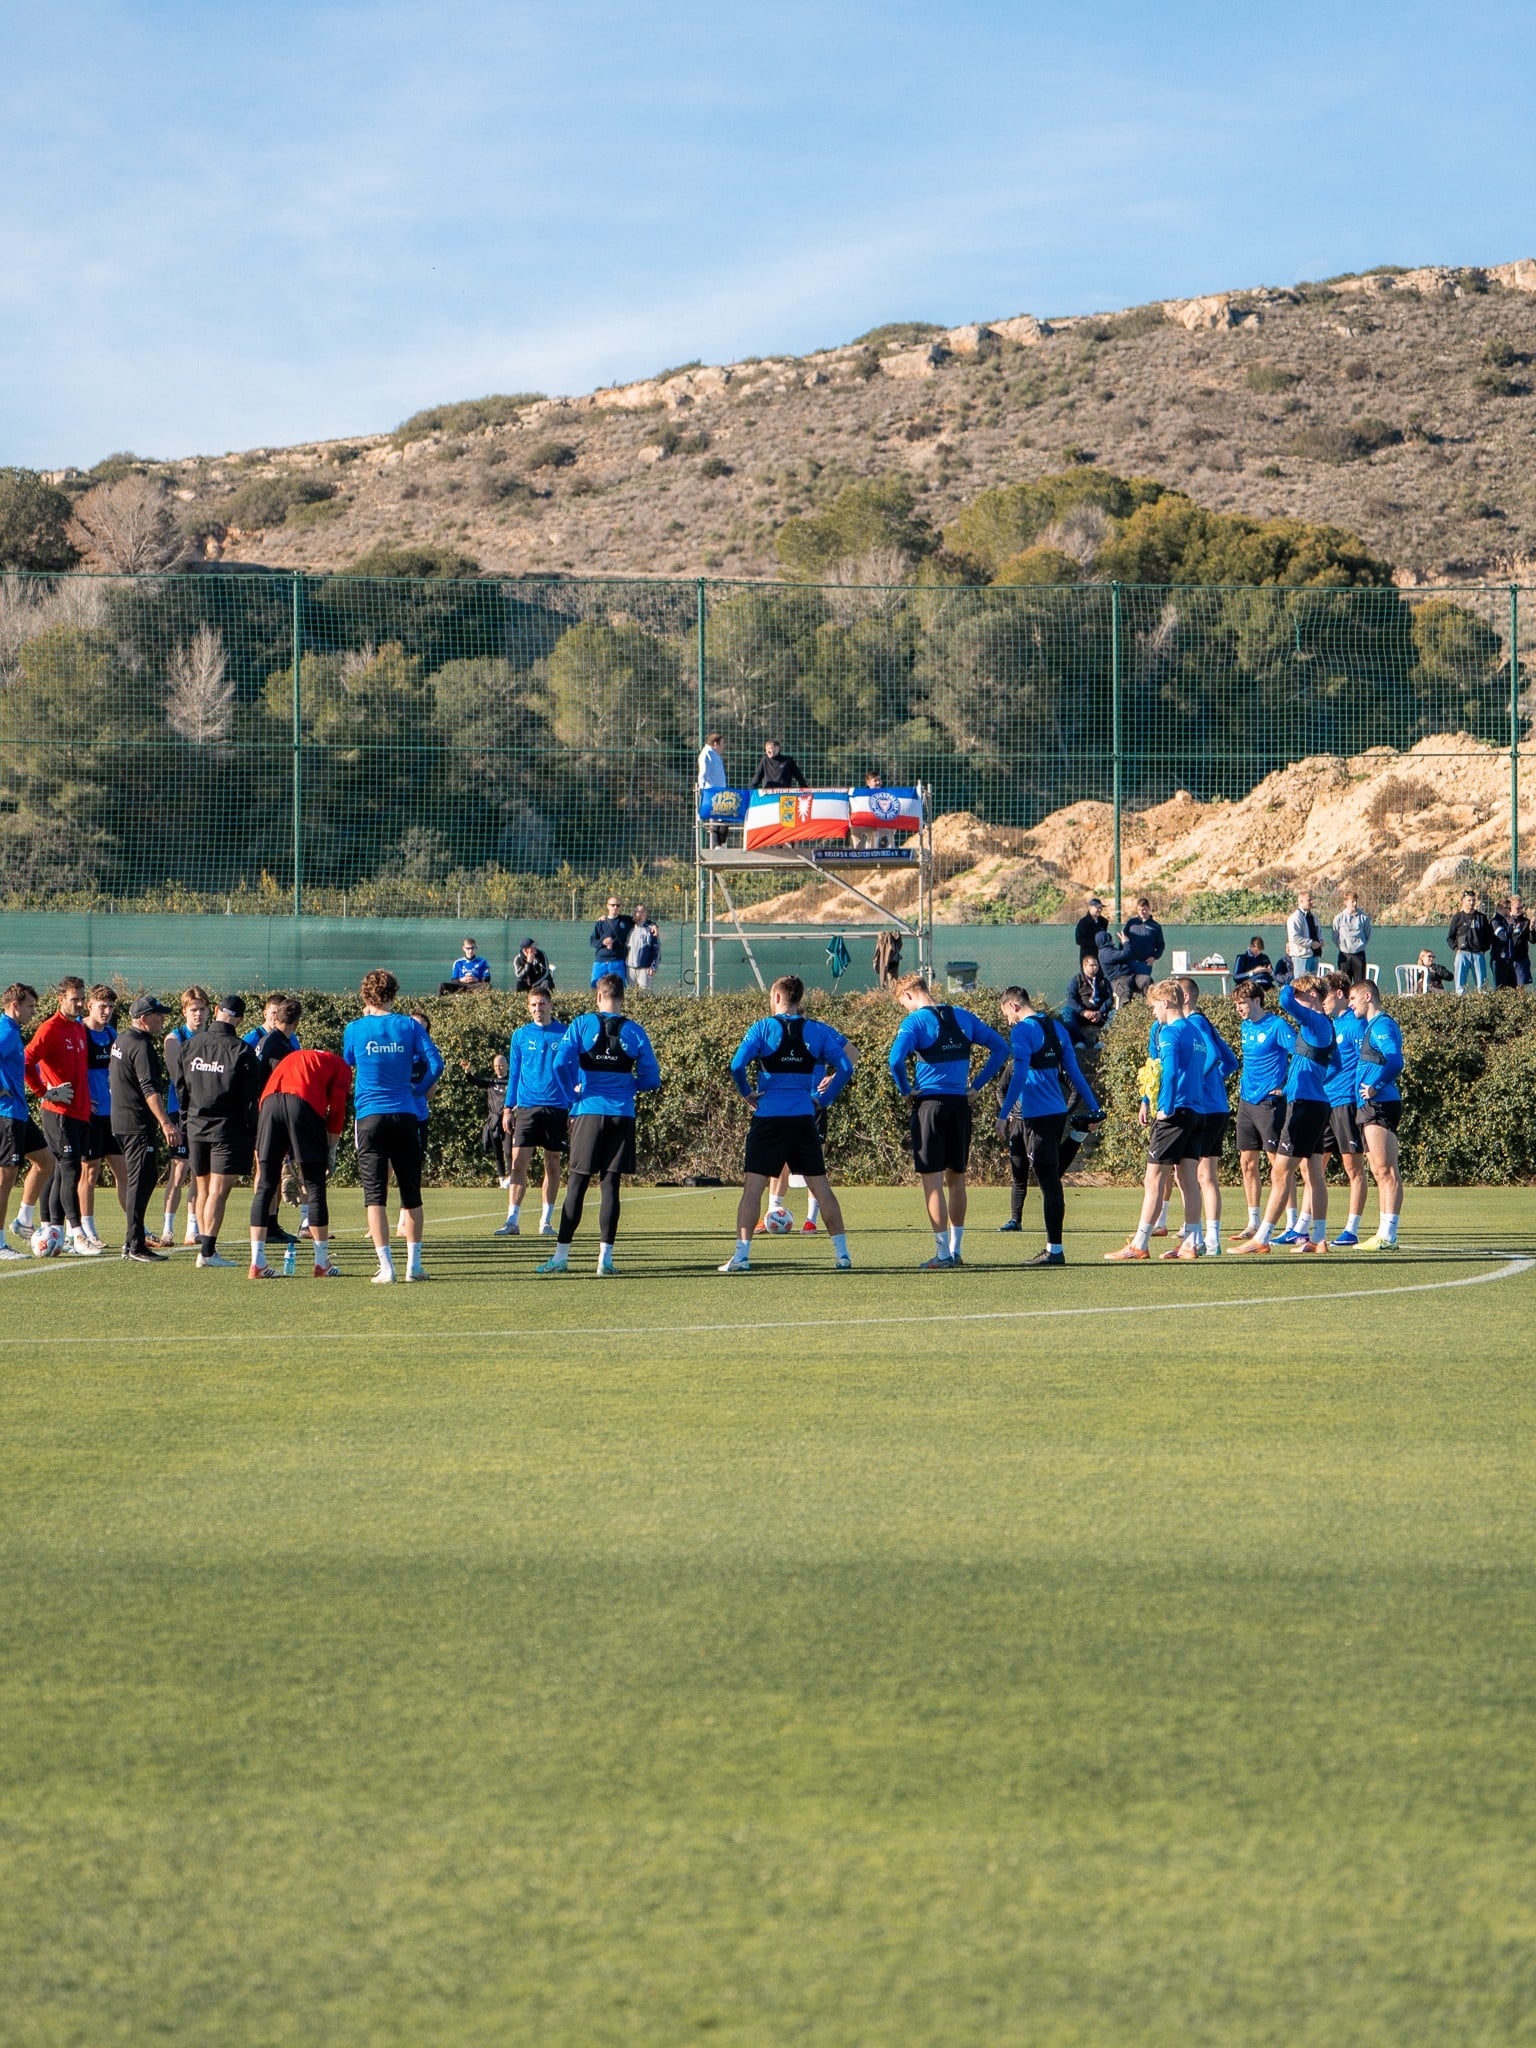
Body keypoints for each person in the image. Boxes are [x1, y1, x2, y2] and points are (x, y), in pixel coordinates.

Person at [718, 975, 854, 1273]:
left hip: (768, 1119)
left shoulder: (763, 1028)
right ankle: (843, 1255)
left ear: (777, 998)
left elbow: (736, 1065)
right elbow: (846, 1066)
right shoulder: (816, 1030)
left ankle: (741, 1257)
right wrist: (825, 1099)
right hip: (804, 1118)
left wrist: (746, 1093)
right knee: (822, 1189)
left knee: (752, 1190)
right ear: (798, 1000)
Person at [538, 974, 661, 1276]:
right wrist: (631, 1085)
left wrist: (572, 1094)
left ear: (598, 996)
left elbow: (558, 1064)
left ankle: (561, 1257)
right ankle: (604, 1260)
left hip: (589, 1112)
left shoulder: (582, 1024)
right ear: (622, 998)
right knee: (610, 1187)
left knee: (577, 1184)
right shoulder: (635, 1031)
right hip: (622, 1114)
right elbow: (652, 1078)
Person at [887, 972, 1009, 1270]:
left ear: (907, 996)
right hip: (959, 1106)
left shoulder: (914, 1022)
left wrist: (905, 1090)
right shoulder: (963, 1016)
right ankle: (956, 1251)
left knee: (932, 1182)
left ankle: (942, 1256)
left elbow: (894, 1061)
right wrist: (976, 1086)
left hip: (929, 1105)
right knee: (957, 1180)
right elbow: (1002, 1049)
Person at [342, 969, 440, 1284]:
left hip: (370, 1117)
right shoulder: (409, 1025)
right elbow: (436, 1064)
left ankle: (387, 1267)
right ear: (394, 994)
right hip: (405, 1115)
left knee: (374, 1196)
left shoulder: (355, 1028)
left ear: (365, 996)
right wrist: (417, 1089)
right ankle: (414, 1266)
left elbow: (347, 1063)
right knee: (411, 1193)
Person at [1230, 976, 1337, 1256]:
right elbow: (1334, 1064)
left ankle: (1261, 1237)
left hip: (1305, 1106)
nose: (1297, 998)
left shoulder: (1314, 1020)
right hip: (1314, 1102)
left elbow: (1284, 999)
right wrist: (1294, 1085)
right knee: (1314, 1174)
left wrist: (1291, 976)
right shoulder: (1323, 1025)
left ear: (1313, 995)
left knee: (1280, 1172)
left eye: (1303, 993)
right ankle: (1320, 1238)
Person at [1104, 979, 1207, 1262]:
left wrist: (1166, 1107)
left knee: (1153, 1179)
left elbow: (1170, 1072)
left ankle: (1140, 1243)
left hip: (1175, 1114)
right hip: (1197, 1113)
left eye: (1153, 1006)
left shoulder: (1170, 1032)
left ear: (1165, 1003)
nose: (1153, 1013)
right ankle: (1190, 1243)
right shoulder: (1195, 1032)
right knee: (1188, 1180)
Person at [995, 986, 1100, 1265]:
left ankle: (1054, 1250)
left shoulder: (1022, 1031)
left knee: (1049, 1181)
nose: (1008, 1021)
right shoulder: (1057, 1028)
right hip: (1056, 1113)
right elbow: (1075, 1073)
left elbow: (1018, 1076)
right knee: (1050, 1172)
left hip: (1037, 1116)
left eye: (1007, 1013)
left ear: (1014, 1006)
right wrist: (1094, 1105)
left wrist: (1004, 1114)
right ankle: (1076, 1134)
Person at [248, 1043, 352, 1278]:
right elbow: (336, 1107)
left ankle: (257, 1262)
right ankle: (321, 1262)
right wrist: (331, 1148)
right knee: (315, 1184)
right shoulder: (341, 1065)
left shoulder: (295, 1056)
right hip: (302, 1102)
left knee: (265, 1184)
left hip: (269, 1105)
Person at [182, 993, 262, 1269]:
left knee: (203, 1188)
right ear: (239, 1019)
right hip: (227, 1128)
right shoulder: (242, 1050)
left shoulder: (191, 1044)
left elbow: (182, 1088)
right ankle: (207, 1252)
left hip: (195, 1125)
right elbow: (251, 1098)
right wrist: (253, 1129)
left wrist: (185, 1119)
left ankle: (205, 1249)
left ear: (215, 1010)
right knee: (218, 1191)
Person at [24, 975, 100, 1256]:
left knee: (61, 1170)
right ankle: (77, 1234)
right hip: (58, 1113)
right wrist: (44, 1091)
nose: (79, 1003)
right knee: (70, 1169)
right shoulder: (50, 1028)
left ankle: (52, 1229)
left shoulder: (79, 1028)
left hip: (79, 1112)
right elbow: (26, 1060)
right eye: (74, 999)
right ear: (61, 1000)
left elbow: (77, 1071)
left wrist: (85, 1099)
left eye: (82, 998)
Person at [1169, 975, 1239, 1260]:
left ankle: (1201, 1237)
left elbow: (1212, 1056)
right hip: (1215, 1105)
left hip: (1206, 1107)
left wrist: (1197, 1079)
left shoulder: (1194, 1023)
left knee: (1195, 1175)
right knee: (1199, 1175)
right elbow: (1230, 1061)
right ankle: (1203, 1236)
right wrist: (1213, 1080)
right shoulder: (1205, 1022)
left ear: (1184, 998)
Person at [108, 995, 178, 1263]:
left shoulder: (122, 1039)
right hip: (136, 1124)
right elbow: (150, 1089)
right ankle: (134, 1244)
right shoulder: (141, 1045)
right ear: (143, 1018)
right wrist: (165, 1122)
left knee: (144, 1178)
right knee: (140, 1181)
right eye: (157, 1015)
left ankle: (132, 1241)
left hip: (122, 1121)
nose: (162, 1019)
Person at [499, 985, 569, 1238]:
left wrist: (573, 1106)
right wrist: (508, 1108)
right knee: (518, 1163)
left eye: (541, 1004)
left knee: (552, 1163)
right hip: (527, 1107)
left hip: (557, 1107)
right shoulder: (520, 1035)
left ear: (550, 1005)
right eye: (533, 1005)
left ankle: (546, 1221)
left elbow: (574, 1071)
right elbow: (514, 1074)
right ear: (528, 1008)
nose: (537, 1009)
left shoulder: (565, 1033)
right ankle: (512, 1221)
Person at [1228, 980, 1294, 1245]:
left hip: (1269, 1103)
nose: (1239, 1009)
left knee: (1278, 1165)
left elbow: (1301, 1054)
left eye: (1242, 1003)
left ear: (1256, 1000)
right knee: (1247, 1163)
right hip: (1246, 1103)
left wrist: (1287, 1088)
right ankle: (1253, 1222)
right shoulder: (1245, 1026)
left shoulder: (1277, 1026)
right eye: (1236, 1005)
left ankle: (1291, 1223)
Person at [1350, 977, 1404, 1250]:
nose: (1351, 1005)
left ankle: (1388, 1235)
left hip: (1380, 1103)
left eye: (1353, 999)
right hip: (1369, 1106)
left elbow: (1395, 1060)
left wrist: (1375, 1086)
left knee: (1386, 1169)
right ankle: (1384, 1232)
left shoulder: (1382, 1024)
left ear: (1367, 996)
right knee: (1378, 1170)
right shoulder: (1370, 1026)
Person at [154, 986, 210, 1250]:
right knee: (179, 1171)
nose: (198, 1014)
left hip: (205, 1112)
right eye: (193, 1010)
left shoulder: (212, 1037)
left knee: (201, 1172)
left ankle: (193, 1228)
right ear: (184, 1011)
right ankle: (167, 1229)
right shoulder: (174, 1038)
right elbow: (179, 1079)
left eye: (202, 1009)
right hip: (182, 1111)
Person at [1318, 970, 1370, 1247]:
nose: (1322, 1002)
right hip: (1324, 1102)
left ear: (1339, 994)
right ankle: (1305, 1226)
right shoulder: (1331, 1024)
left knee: (1353, 1167)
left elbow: (1369, 1060)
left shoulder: (1354, 1024)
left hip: (1346, 1103)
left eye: (1325, 996)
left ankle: (1351, 1228)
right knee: (1312, 1166)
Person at [0, 982, 51, 1258]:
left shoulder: (13, 1031)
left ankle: (22, 1221)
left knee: (46, 1160)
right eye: (30, 1006)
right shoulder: (6, 1032)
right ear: (15, 1006)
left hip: (19, 1113)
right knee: (5, 1178)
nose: (34, 1011)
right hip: (6, 1114)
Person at [77, 985, 126, 1249]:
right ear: (90, 1006)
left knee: (124, 1171)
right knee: (90, 1173)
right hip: (90, 1116)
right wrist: (81, 1099)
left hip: (112, 1116)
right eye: (102, 1006)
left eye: (110, 1007)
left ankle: (136, 1227)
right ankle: (88, 1230)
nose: (106, 1011)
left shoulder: (111, 1034)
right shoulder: (79, 1033)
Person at [1447, 890, 1493, 993]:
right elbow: (1450, 937)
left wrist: (1483, 949)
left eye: (1473, 900)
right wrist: (1456, 949)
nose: (1471, 903)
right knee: (1460, 984)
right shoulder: (1457, 918)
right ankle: (1460, 1001)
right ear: (1463, 901)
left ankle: (1483, 1003)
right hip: (1462, 953)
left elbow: (1489, 936)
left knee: (1482, 985)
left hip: (1478, 954)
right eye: (1469, 900)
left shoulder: (1481, 918)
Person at [1062, 954, 1112, 1046]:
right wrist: (1083, 1012)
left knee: (1115, 1013)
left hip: (1100, 1015)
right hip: (1082, 1015)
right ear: (1084, 966)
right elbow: (1070, 999)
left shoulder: (1104, 981)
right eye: (1092, 965)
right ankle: (1079, 1041)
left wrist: (1100, 1012)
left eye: (1096, 965)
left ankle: (1101, 1040)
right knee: (1066, 1012)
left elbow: (1109, 999)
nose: (1095, 968)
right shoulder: (1076, 980)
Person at [589, 895, 634, 986]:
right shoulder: (601, 922)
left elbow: (642, 920)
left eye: (618, 905)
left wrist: (653, 925)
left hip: (617, 961)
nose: (615, 907)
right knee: (596, 986)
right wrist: (603, 942)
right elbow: (592, 941)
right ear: (607, 906)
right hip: (600, 961)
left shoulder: (626, 920)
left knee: (618, 987)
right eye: (612, 905)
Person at [1123, 898, 1165, 990]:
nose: (1142, 912)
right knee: (1127, 988)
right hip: (1129, 962)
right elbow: (1123, 940)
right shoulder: (1131, 923)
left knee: (1145, 987)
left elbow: (1161, 945)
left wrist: (1154, 957)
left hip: (1145, 964)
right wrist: (1122, 956)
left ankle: (1144, 1004)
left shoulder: (1156, 926)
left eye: (1144, 909)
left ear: (1149, 908)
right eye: (1139, 909)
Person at [1095, 928, 1142, 1009]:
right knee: (1125, 995)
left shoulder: (1109, 950)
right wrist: (1126, 942)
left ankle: (1149, 1006)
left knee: (1146, 980)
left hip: (1131, 976)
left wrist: (1122, 944)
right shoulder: (1105, 952)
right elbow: (1126, 954)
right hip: (1119, 980)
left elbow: (1120, 956)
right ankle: (1122, 1016)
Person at [697, 730, 729, 848]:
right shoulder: (707, 754)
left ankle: (722, 843)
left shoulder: (715, 754)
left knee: (724, 817)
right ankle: (717, 845)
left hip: (721, 791)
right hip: (712, 791)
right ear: (715, 744)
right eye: (722, 743)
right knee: (716, 818)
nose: (723, 747)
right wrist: (703, 789)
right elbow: (703, 773)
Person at [1332, 891, 1372, 982]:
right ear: (1345, 902)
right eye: (1352, 901)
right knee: (1344, 984)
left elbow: (1368, 935)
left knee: (1360, 985)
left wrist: (1360, 946)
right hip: (1344, 956)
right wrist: (1343, 947)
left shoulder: (1364, 918)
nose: (1355, 904)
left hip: (1359, 955)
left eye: (1356, 901)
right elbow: (1335, 937)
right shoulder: (1339, 918)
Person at [1286, 890, 1323, 976]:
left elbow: (1318, 931)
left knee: (1313, 985)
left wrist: (1320, 940)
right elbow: (1294, 937)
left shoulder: (1313, 917)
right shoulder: (1295, 918)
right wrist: (1311, 943)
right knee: (1301, 985)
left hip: (1314, 955)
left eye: (1312, 900)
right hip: (1301, 957)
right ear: (1301, 901)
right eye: (1309, 900)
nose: (1312, 902)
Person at [626, 902, 661, 991]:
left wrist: (653, 966)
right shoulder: (629, 927)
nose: (637, 913)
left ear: (645, 914)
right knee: (630, 994)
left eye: (640, 911)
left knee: (644, 994)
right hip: (629, 967)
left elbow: (656, 948)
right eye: (636, 911)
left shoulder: (650, 929)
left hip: (644, 968)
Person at [1073, 896, 1109, 961]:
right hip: (1088, 955)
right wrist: (1096, 943)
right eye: (1097, 907)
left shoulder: (1103, 921)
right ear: (1090, 908)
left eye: (1100, 908)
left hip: (1101, 955)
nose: (1100, 910)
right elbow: (1079, 940)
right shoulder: (1083, 922)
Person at [1509, 894, 1532, 988]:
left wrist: (1532, 929)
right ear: (1510, 908)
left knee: (1521, 985)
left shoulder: (1526, 922)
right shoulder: (1504, 920)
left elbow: (1532, 939)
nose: (1519, 910)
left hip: (1521, 957)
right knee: (1505, 986)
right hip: (1507, 957)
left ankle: (1520, 1002)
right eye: (1517, 908)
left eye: (1521, 907)